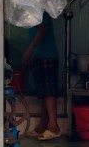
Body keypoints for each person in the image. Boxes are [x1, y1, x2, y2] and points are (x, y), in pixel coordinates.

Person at [23, 12, 61, 140]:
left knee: (49, 93)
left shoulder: (41, 12)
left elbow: (43, 29)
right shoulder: (33, 12)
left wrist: (30, 49)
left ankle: (54, 127)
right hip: (39, 57)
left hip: (46, 56)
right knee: (44, 94)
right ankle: (43, 126)